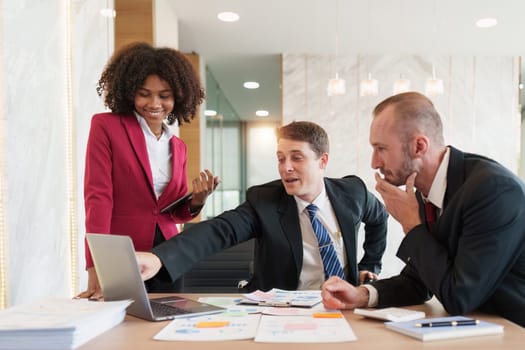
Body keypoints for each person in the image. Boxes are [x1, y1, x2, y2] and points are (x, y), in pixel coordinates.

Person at [321, 92, 525, 327]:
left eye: (381, 148)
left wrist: (411, 225)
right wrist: (362, 295)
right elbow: (418, 281)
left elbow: (459, 297)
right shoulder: (425, 193)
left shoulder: (493, 190)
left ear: (419, 146)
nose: (374, 163)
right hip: (483, 327)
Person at [136, 121, 388, 292]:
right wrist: (159, 257)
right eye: (280, 158)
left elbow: (379, 219)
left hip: (344, 302)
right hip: (282, 309)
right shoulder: (264, 201)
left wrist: (369, 265)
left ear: (323, 161)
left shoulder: (353, 192)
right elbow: (219, 230)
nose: (285, 167)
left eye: (296, 158)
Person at [78, 42, 218, 299]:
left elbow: (170, 215)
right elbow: (98, 199)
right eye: (144, 93)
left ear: (178, 96)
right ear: (129, 91)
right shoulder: (106, 127)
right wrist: (95, 263)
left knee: (168, 327)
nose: (154, 103)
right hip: (123, 255)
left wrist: (197, 200)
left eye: (164, 95)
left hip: (167, 257)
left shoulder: (178, 146)